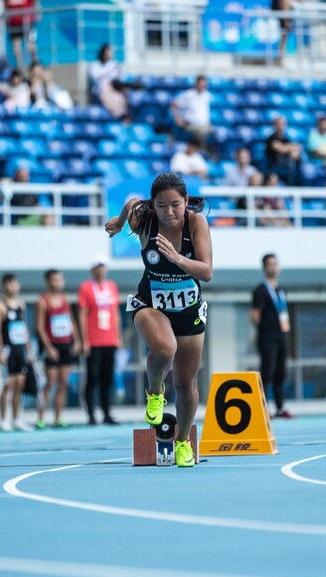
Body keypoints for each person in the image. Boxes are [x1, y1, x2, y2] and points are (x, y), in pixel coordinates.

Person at [105, 172, 212, 468]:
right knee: (165, 349)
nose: (169, 213)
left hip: (189, 310)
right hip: (150, 303)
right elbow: (131, 202)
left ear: (186, 201)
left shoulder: (197, 223)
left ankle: (182, 443)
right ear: (153, 204)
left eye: (176, 205)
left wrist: (177, 258)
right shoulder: (146, 220)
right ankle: (154, 392)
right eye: (162, 205)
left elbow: (206, 272)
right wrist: (120, 219)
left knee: (186, 386)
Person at [78, 255, 121, 425]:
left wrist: (117, 337)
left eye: (103, 266)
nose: (101, 270)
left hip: (109, 340)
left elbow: (115, 312)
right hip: (94, 341)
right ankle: (90, 414)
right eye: (97, 267)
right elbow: (82, 314)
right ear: (92, 270)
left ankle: (107, 412)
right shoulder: (86, 288)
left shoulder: (112, 286)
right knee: (92, 378)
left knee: (108, 378)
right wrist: (84, 340)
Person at [35, 269, 80, 428]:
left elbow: (71, 320)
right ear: (48, 282)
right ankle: (40, 418)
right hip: (52, 346)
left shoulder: (65, 298)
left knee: (63, 382)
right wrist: (48, 347)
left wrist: (77, 340)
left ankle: (58, 417)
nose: (58, 283)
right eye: (55, 280)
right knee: (50, 382)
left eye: (60, 280)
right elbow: (40, 328)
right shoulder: (42, 301)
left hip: (65, 344)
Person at [250, 254, 292, 419]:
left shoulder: (281, 290)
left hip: (282, 337)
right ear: (265, 268)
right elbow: (254, 315)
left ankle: (280, 408)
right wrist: (264, 330)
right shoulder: (260, 290)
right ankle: (263, 409)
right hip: (267, 338)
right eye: (270, 264)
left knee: (281, 373)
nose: (274, 267)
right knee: (267, 372)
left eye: (276, 264)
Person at [0, 273, 32, 431]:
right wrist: (0, 351)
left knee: (19, 385)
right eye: (8, 284)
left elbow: (24, 327)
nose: (12, 287)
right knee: (8, 384)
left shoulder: (21, 304)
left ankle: (17, 418)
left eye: (14, 284)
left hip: (20, 348)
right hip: (8, 349)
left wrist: (29, 349)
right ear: (3, 286)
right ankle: (3, 419)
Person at [170, 75, 213, 151]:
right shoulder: (188, 95)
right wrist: (178, 119)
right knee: (199, 134)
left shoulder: (207, 95)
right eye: (201, 84)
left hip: (205, 124)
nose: (202, 86)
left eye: (204, 85)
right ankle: (201, 152)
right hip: (191, 125)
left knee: (217, 135)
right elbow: (174, 105)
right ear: (196, 84)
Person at [265, 115, 303, 186]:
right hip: (274, 167)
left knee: (299, 169)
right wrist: (292, 147)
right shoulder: (271, 138)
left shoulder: (286, 139)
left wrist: (292, 150)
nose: (281, 126)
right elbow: (280, 148)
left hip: (286, 165)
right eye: (279, 124)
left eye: (282, 124)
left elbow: (293, 151)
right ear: (274, 125)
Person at [3, 0, 40, 70]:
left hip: (30, 22)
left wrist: (36, 13)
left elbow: (35, 2)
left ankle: (36, 63)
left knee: (32, 44)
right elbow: (5, 6)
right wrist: (6, 18)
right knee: (16, 48)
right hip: (13, 23)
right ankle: (20, 67)